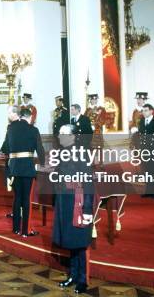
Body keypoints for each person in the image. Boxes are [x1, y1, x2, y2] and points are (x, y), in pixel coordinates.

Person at [53, 124, 94, 294]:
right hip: (65, 201)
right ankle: (73, 275)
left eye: (63, 133)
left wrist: (86, 208)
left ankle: (82, 280)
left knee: (80, 241)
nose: (60, 136)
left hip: (79, 201)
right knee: (70, 240)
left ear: (73, 136)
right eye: (59, 133)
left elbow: (88, 182)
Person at [6, 106, 45, 237]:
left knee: (17, 198)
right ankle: (25, 230)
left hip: (14, 167)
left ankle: (16, 228)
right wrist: (44, 163)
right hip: (27, 167)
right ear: (30, 117)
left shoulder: (10, 128)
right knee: (27, 200)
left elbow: (6, 147)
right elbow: (40, 149)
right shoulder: (33, 130)